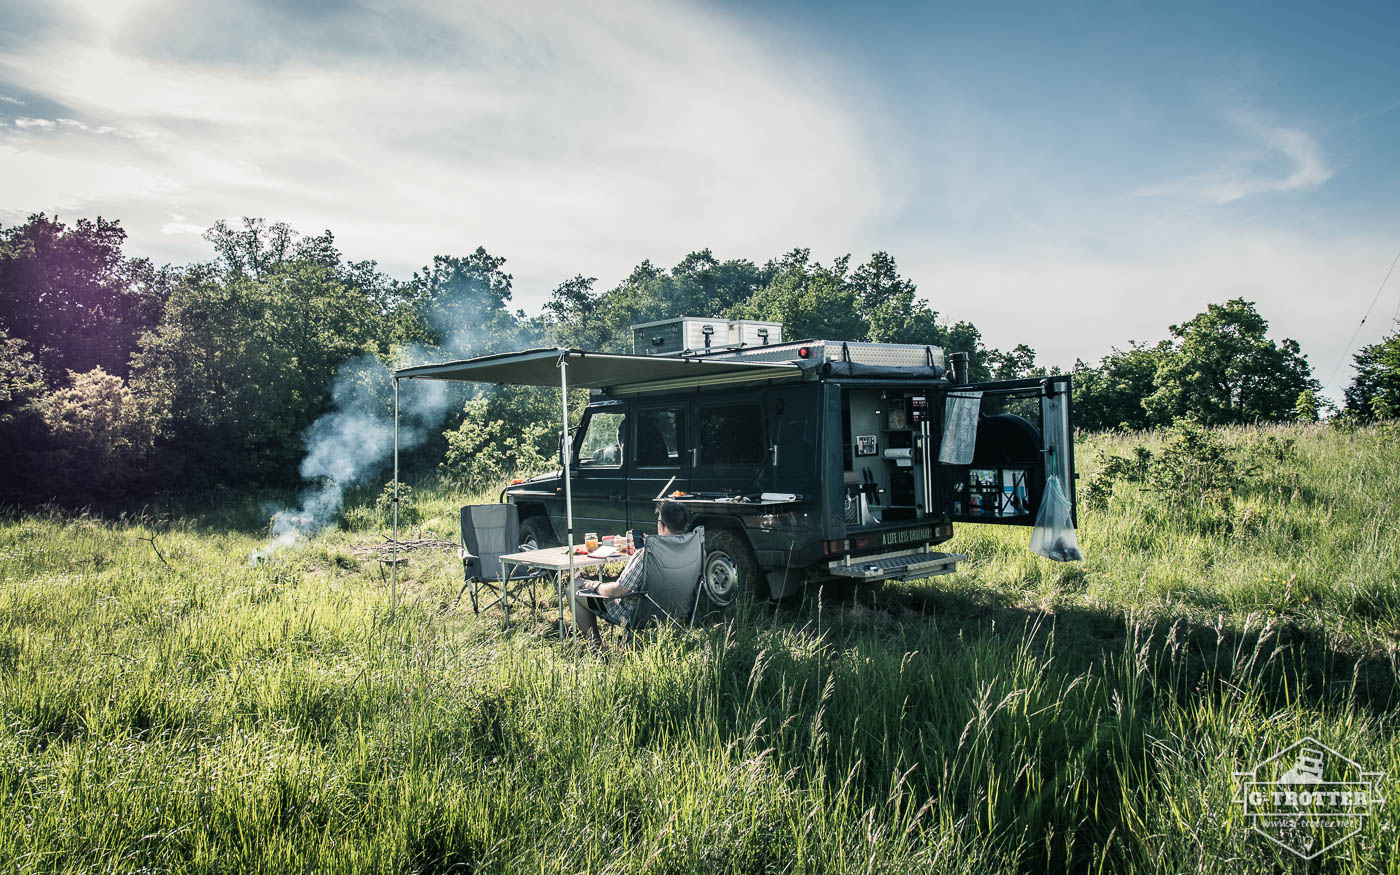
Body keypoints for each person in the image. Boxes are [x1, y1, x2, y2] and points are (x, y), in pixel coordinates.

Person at [574, 499, 689, 643]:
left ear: (661, 526)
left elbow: (619, 590)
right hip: (676, 611)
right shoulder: (694, 550)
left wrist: (594, 585)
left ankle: (596, 647)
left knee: (573, 587)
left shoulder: (648, 554)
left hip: (636, 614)